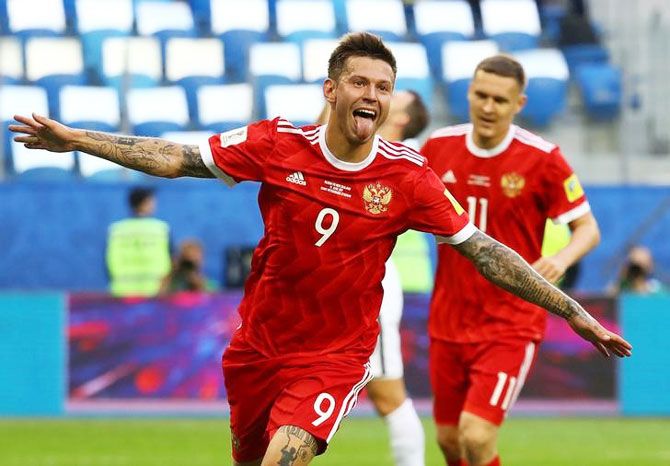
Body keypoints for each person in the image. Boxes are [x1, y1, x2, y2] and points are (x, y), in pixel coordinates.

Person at [10, 33, 630, 466]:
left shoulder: (408, 177)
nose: (373, 94)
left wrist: (571, 310)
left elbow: (486, 250)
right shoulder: (277, 143)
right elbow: (176, 157)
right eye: (360, 81)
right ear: (331, 90)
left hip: (335, 354)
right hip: (258, 346)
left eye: (384, 87)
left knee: (288, 457)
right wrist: (78, 140)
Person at [421, 54, 603, 466]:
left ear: (518, 104)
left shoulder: (542, 158)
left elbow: (589, 230)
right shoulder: (438, 147)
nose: (488, 107)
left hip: (510, 323)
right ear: (468, 92)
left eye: (499, 100)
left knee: (477, 435)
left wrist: (561, 258)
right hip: (447, 320)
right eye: (481, 95)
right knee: (450, 441)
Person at [319, 90, 433, 466]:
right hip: (328, 282)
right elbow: (320, 140)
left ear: (401, 120)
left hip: (375, 283)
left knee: (387, 395)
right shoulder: (356, 150)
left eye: (392, 97)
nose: (375, 98)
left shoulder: (405, 164)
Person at [106, 186, 171, 297]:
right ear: (145, 202)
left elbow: (108, 261)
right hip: (155, 293)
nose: (154, 204)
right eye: (152, 201)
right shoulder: (161, 229)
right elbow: (171, 260)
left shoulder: (116, 230)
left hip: (122, 293)